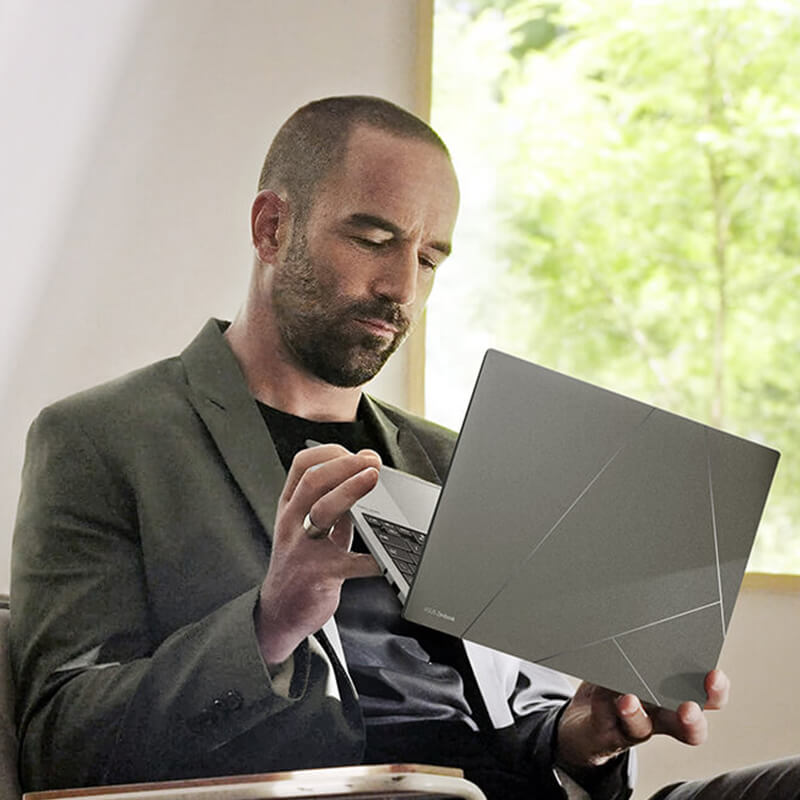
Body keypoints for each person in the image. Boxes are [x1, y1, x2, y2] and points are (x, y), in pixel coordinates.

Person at [10, 96, 799, 799]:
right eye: (375, 239)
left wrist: (579, 737)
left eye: (428, 258)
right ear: (271, 228)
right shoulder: (106, 438)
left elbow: (522, 730)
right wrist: (269, 624)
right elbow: (59, 746)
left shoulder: (452, 461)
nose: (403, 288)